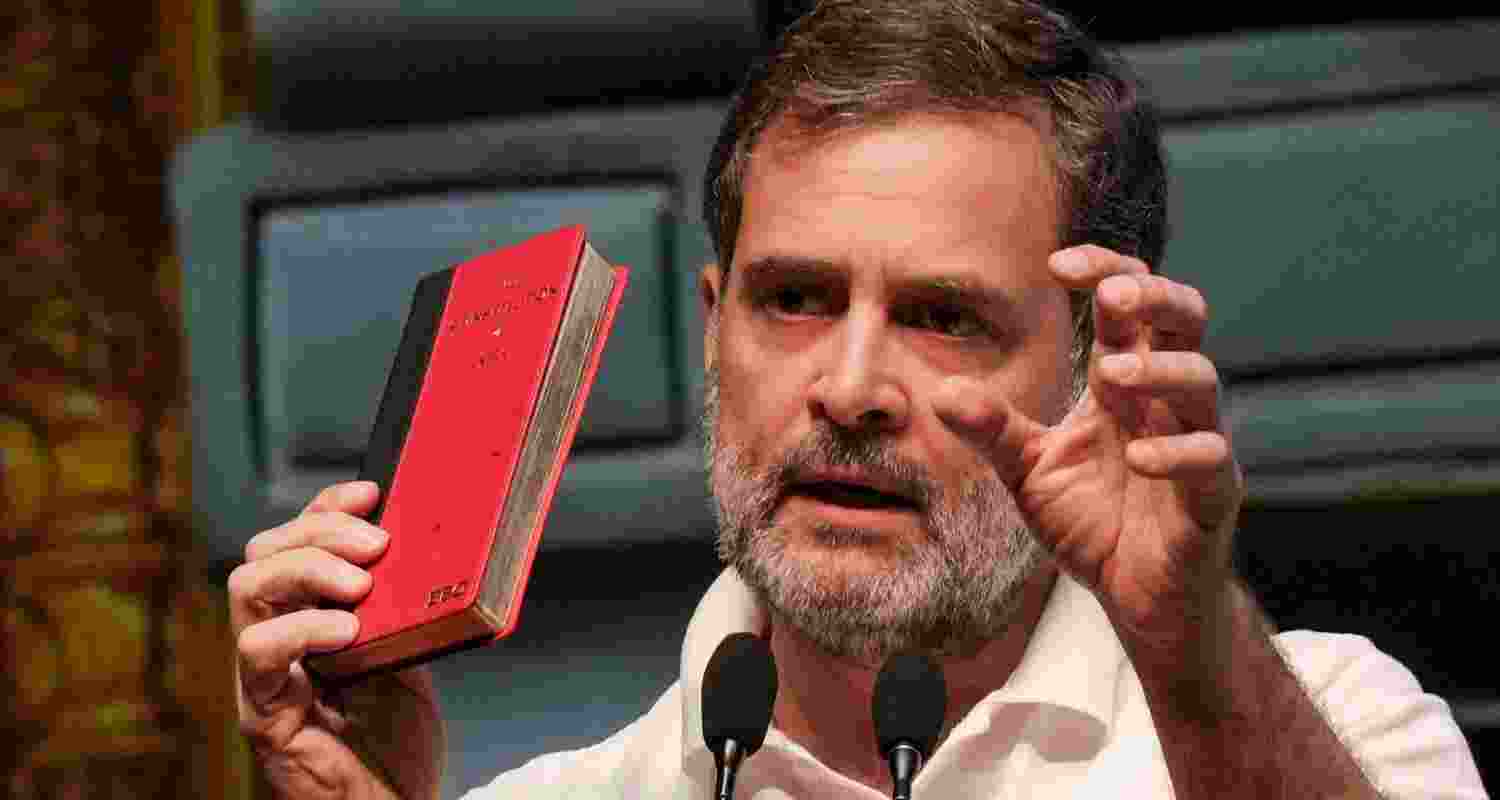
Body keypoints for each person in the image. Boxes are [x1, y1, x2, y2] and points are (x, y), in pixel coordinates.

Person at [228, 1, 1487, 798]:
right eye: (793, 300)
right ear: (713, 331)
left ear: (1097, 365)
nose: (848, 386)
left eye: (943, 316)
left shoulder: (1334, 724)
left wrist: (1195, 659)